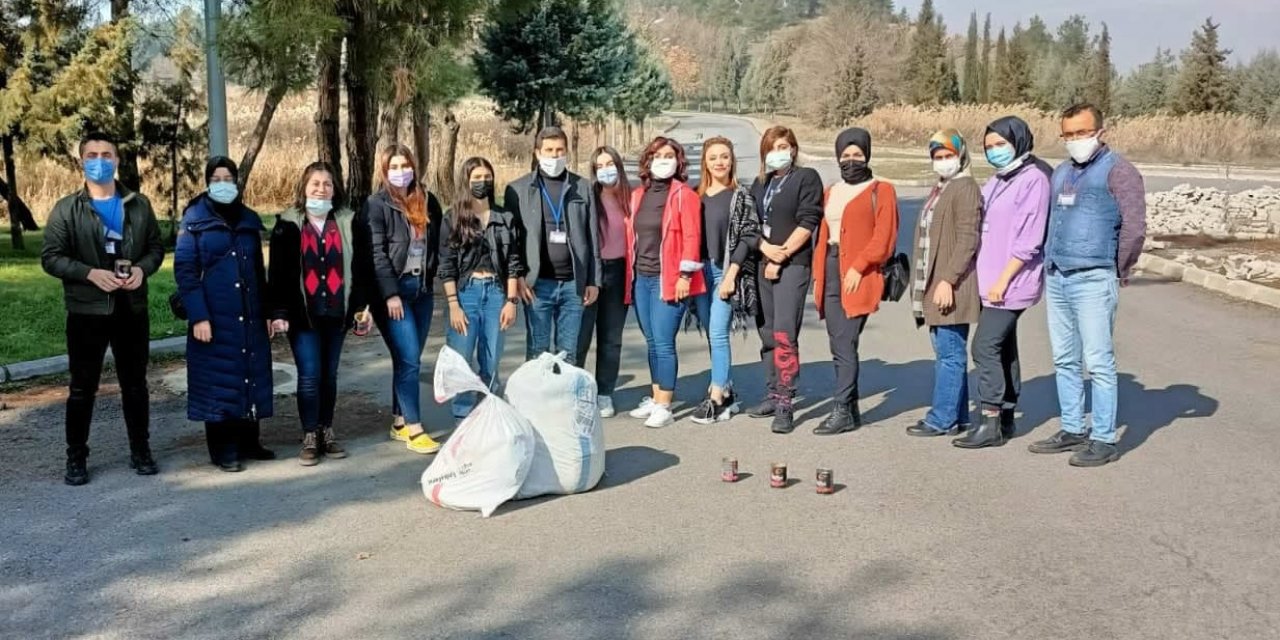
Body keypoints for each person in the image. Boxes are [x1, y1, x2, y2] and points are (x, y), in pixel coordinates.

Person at [41, 132, 165, 486]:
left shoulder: (138, 204)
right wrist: (90, 273)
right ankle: (76, 456)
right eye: (92, 154)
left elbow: (156, 248)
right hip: (86, 312)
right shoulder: (68, 208)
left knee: (135, 385)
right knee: (82, 388)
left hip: (130, 308)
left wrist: (142, 269)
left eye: (106, 154)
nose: (99, 160)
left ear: (117, 160)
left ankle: (141, 450)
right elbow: (51, 257)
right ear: (82, 161)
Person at [1029, 103, 1146, 467]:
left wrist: (1118, 266)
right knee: (1065, 359)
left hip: (1094, 278)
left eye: (1083, 132)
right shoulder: (1062, 171)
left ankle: (1104, 439)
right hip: (1059, 276)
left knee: (1098, 361)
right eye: (1069, 134)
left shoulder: (1119, 171)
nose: (1076, 140)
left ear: (1100, 132)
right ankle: (1072, 426)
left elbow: (1134, 226)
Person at [952, 116, 1052, 450]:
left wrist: (1003, 279)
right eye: (989, 146)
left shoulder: (1033, 180)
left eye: (1001, 145)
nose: (995, 151)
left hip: (1011, 283)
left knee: (984, 346)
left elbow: (1029, 239)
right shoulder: (998, 179)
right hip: (989, 280)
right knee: (1004, 347)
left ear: (1019, 142)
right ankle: (1007, 418)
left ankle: (990, 419)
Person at [174, 157, 276, 472]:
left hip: (249, 312)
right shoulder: (194, 219)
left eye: (228, 177)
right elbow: (186, 271)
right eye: (216, 177)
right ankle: (223, 448)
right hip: (213, 316)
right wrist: (199, 316)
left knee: (249, 374)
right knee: (218, 379)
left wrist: (268, 312)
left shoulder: (248, 220)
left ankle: (249, 440)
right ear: (207, 182)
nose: (222, 183)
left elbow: (259, 272)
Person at [268, 162, 367, 466]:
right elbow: (279, 274)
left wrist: (362, 309)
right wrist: (278, 312)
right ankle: (310, 434)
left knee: (330, 376)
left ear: (334, 190)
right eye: (315, 183)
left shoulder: (348, 222)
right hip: (304, 316)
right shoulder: (288, 224)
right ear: (304, 187)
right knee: (310, 376)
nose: (321, 189)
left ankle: (327, 430)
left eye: (326, 184)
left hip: (337, 313)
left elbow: (361, 269)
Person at [811, 128, 899, 435]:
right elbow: (822, 234)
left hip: (858, 272)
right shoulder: (832, 191)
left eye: (857, 155)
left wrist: (859, 266)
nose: (851, 160)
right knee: (838, 343)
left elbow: (884, 238)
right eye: (845, 156)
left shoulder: (881, 190)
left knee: (846, 342)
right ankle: (851, 407)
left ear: (867, 155)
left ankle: (841, 409)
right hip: (830, 266)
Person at [363, 144, 443, 455]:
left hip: (421, 291)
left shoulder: (426, 199)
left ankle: (398, 421)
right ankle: (414, 427)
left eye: (405, 165)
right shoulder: (376, 204)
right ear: (384, 171)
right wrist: (390, 294)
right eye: (393, 167)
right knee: (410, 358)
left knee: (407, 358)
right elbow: (377, 254)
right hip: (394, 294)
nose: (400, 172)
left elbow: (436, 241)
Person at [624, 136, 706, 428]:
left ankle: (665, 405)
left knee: (663, 342)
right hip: (641, 278)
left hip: (669, 279)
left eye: (670, 155)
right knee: (650, 341)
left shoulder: (685, 195)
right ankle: (655, 395)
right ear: (648, 161)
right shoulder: (638, 196)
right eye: (658, 155)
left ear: (679, 161)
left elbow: (692, 238)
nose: (663, 160)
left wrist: (685, 275)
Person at [905, 130, 982, 438]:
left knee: (950, 353)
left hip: (950, 285)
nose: (942, 162)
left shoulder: (965, 188)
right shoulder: (942, 187)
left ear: (961, 155)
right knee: (948, 350)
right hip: (935, 283)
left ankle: (942, 418)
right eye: (937, 157)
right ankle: (959, 416)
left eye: (948, 155)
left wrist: (948, 280)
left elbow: (967, 239)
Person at [747, 126, 823, 434]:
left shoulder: (806, 178)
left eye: (783, 146)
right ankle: (772, 391)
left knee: (783, 333)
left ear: (792, 148)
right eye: (771, 147)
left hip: (792, 264)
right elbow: (751, 223)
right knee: (766, 331)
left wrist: (782, 255)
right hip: (764, 261)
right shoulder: (760, 183)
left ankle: (785, 401)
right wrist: (766, 250)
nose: (778, 152)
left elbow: (809, 220)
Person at [505, 126, 600, 365]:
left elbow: (593, 237)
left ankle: (564, 401)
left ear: (566, 152)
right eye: (548, 150)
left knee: (568, 353)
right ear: (537, 153)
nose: (554, 156)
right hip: (537, 285)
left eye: (559, 150)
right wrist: (517, 278)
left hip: (573, 285)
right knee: (538, 351)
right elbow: (512, 242)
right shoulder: (517, 190)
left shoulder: (583, 187)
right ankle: (535, 402)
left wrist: (593, 280)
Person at [439, 157, 524, 420]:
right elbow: (447, 264)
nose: (482, 182)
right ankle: (462, 414)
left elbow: (513, 261)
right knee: (462, 356)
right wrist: (453, 304)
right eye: (476, 177)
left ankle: (489, 410)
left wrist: (511, 301)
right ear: (466, 181)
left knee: (491, 356)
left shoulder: (505, 217)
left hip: (496, 293)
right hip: (466, 293)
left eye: (487, 177)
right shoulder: (453, 218)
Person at [689, 137, 760, 424]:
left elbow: (750, 235)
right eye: (713, 157)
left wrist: (731, 273)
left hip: (724, 273)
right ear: (705, 162)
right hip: (700, 273)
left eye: (724, 157)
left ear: (732, 160)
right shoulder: (696, 195)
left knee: (718, 332)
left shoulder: (740, 196)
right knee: (711, 332)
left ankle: (717, 396)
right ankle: (727, 389)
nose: (719, 162)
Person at [575, 146, 632, 418]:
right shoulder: (588, 198)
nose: (606, 169)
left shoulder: (630, 197)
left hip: (620, 271)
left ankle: (604, 392)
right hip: (592, 274)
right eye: (600, 166)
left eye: (610, 163)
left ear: (619, 165)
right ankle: (575, 392)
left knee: (611, 338)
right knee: (581, 337)